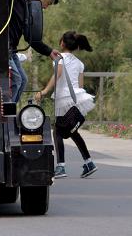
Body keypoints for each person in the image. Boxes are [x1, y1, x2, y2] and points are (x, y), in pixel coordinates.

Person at [35, 31, 97, 178]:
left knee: (57, 131)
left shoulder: (59, 59)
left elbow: (57, 75)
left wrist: (44, 92)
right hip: (77, 99)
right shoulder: (80, 64)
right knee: (72, 132)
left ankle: (61, 167)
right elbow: (80, 85)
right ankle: (89, 163)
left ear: (62, 43)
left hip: (63, 99)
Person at [9, 0, 61, 103]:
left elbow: (30, 36)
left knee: (23, 80)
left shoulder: (25, 3)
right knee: (16, 80)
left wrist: (48, 51)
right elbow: (30, 36)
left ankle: (9, 114)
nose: (45, 8)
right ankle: (3, 116)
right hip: (3, 48)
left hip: (11, 49)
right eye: (48, 3)